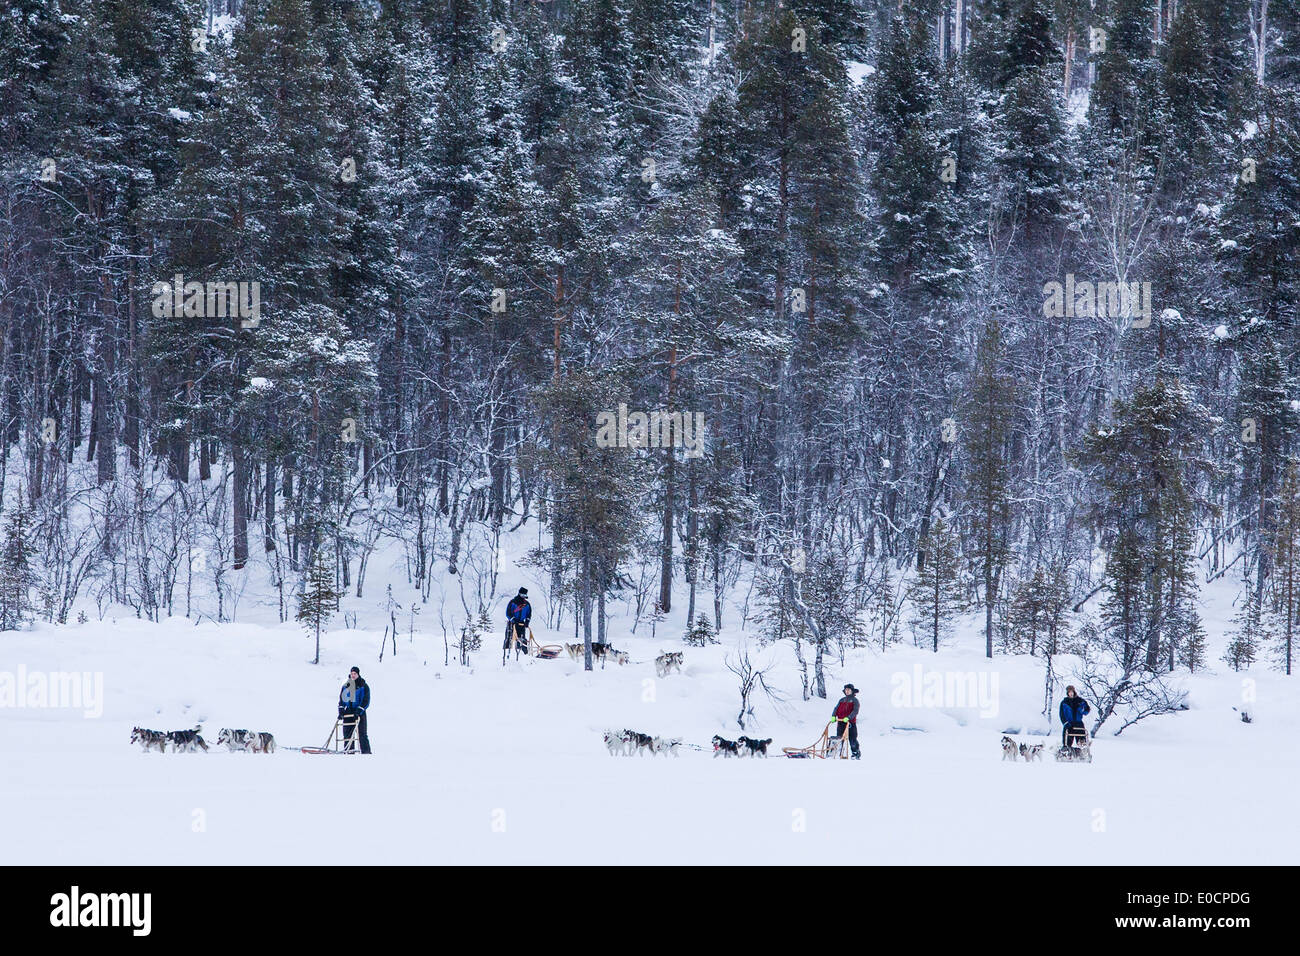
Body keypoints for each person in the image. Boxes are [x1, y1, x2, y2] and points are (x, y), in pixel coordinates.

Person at [338, 666, 371, 754]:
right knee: (347, 734)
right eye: (352, 673)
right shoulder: (346, 686)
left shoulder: (363, 685)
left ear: (358, 674)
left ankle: (366, 752)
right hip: (348, 712)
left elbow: (366, 701)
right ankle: (349, 751)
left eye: (355, 674)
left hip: (359, 712)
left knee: (362, 734)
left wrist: (359, 710)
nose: (353, 675)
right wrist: (341, 710)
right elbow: (342, 700)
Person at [831, 684, 861, 759]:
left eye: (848, 690)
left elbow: (855, 711)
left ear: (852, 691)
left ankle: (855, 753)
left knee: (852, 739)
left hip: (850, 723)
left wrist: (848, 717)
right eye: (846, 690)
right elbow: (836, 708)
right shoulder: (842, 700)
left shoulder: (855, 700)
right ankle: (839, 753)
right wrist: (833, 716)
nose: (847, 691)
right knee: (839, 738)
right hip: (840, 722)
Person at [1059, 685, 1090, 751]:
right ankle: (1066, 751)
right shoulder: (1064, 702)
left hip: (1078, 723)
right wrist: (1065, 723)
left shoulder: (1080, 701)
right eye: (1069, 692)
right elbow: (1061, 714)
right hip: (1069, 724)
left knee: (1082, 742)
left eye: (1072, 691)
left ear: (1074, 691)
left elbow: (1086, 710)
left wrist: (1082, 709)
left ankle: (1083, 753)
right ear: (1067, 693)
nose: (1071, 693)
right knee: (1067, 742)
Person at [503, 588, 532, 660]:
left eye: (524, 594)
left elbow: (529, 614)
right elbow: (508, 613)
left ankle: (524, 655)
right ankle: (506, 653)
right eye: (522, 594)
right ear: (519, 593)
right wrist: (513, 620)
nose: (523, 596)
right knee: (509, 638)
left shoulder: (527, 604)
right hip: (512, 623)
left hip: (521, 624)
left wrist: (527, 621)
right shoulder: (513, 602)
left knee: (522, 639)